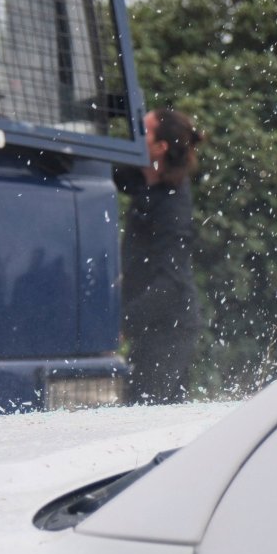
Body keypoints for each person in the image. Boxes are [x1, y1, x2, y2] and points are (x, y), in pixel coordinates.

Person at [114, 107, 205, 403]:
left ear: (160, 148)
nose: (133, 136)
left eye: (143, 132)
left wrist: (122, 323)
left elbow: (171, 284)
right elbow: (106, 171)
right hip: (151, 321)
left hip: (170, 327)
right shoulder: (144, 178)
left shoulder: (172, 207)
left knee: (145, 409)